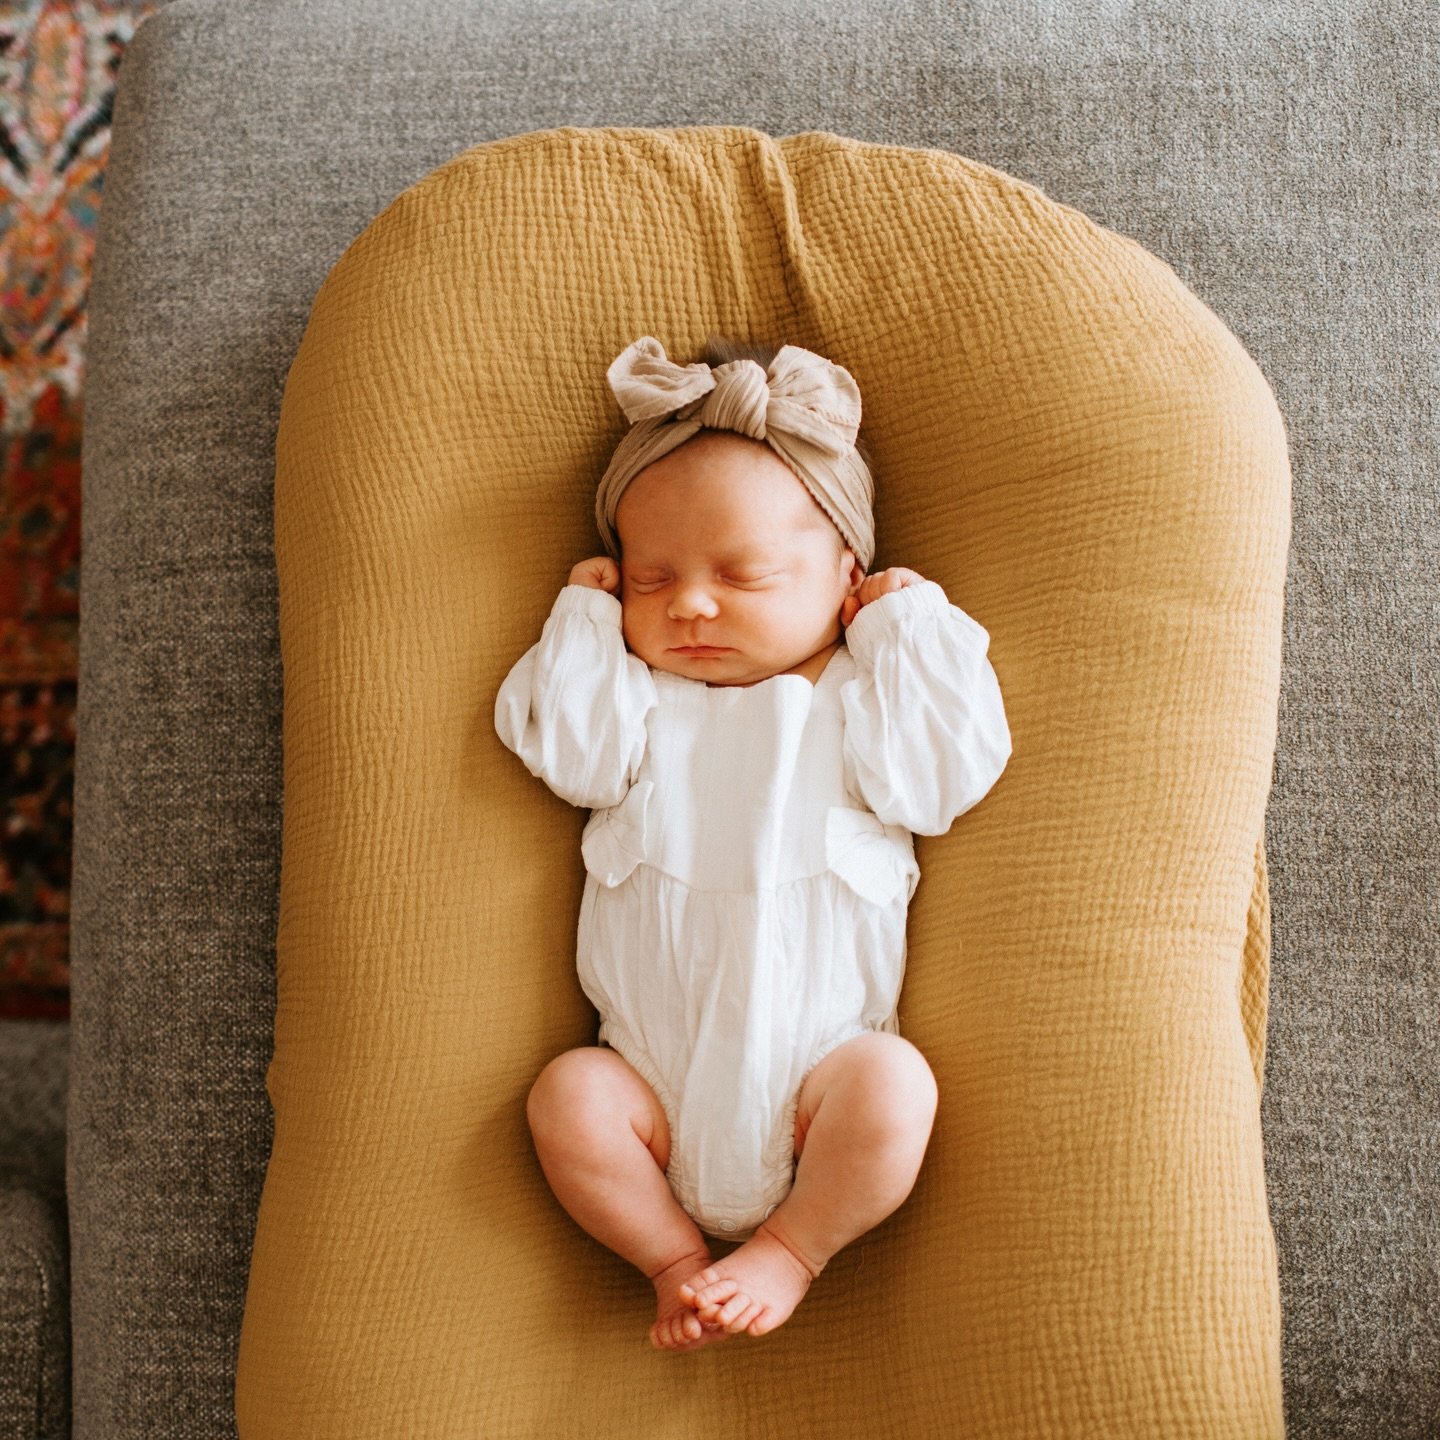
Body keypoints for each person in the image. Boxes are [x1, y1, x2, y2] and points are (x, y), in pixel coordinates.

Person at [495, 333, 1012, 1351]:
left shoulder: (862, 696)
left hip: (821, 1077)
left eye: (743, 573)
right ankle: (674, 1260)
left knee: (895, 1086)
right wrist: (587, 621)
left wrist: (905, 630)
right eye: (651, 577)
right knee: (567, 1096)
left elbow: (942, 780)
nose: (689, 603)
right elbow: (571, 756)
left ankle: (792, 1249)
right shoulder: (642, 704)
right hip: (647, 1079)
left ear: (846, 573)